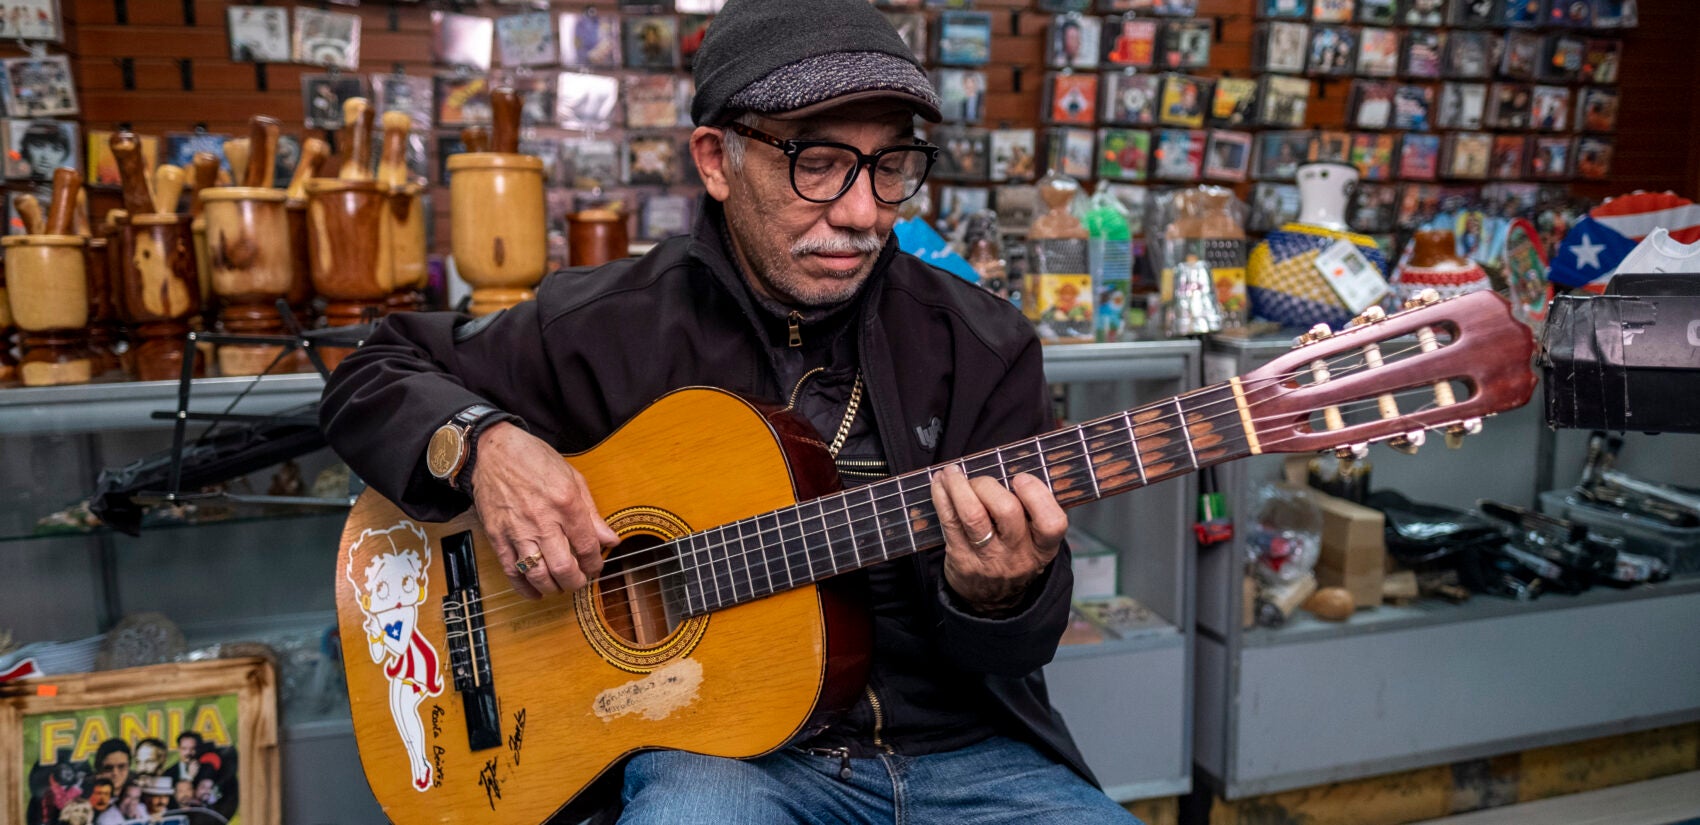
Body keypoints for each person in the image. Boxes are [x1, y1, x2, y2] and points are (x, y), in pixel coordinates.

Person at [320, 0, 1140, 822]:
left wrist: (1000, 594)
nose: (862, 212)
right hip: (732, 761)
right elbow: (373, 371)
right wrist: (484, 446)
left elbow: (1016, 650)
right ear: (717, 160)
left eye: (891, 165)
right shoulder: (609, 322)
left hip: (964, 755)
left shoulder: (982, 344)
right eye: (818, 162)